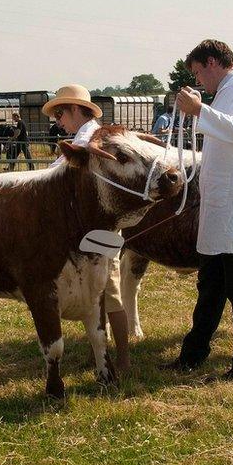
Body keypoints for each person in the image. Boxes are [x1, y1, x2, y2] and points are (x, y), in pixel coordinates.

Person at [166, 39, 233, 380]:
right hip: (223, 211)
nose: (199, 81)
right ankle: (192, 355)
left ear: (213, 62)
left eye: (199, 72)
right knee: (211, 287)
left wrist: (200, 110)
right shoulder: (227, 92)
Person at [43, 84, 131, 374]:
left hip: (99, 226)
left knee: (109, 288)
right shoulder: (84, 137)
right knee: (97, 290)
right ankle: (103, 354)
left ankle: (123, 359)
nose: (58, 120)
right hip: (85, 227)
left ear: (77, 110)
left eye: (60, 112)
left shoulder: (94, 140)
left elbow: (58, 171)